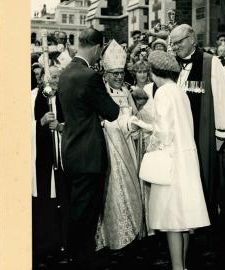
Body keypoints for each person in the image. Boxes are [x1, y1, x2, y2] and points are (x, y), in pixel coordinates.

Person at [58, 28, 120, 270]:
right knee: (87, 211)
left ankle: (77, 255)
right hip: (89, 154)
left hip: (71, 151)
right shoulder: (89, 76)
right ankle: (81, 258)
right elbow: (112, 113)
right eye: (100, 51)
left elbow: (64, 115)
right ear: (96, 47)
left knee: (77, 207)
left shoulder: (64, 74)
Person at [146, 50, 210, 270]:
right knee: (183, 220)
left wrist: (146, 132)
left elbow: (164, 132)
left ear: (154, 72)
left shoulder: (163, 92)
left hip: (172, 159)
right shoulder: (180, 91)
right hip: (187, 158)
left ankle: (177, 267)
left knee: (173, 220)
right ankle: (182, 266)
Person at [170, 24, 225, 223]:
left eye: (178, 42)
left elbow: (223, 100)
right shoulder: (172, 64)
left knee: (202, 184)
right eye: (172, 44)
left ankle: (203, 236)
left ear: (192, 39)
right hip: (177, 138)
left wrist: (219, 135)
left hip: (201, 135)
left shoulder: (211, 63)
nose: (174, 48)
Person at [95, 39, 143, 252]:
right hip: (111, 148)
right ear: (105, 74)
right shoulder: (101, 92)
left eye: (121, 73)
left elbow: (136, 115)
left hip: (130, 147)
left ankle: (133, 230)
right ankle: (113, 234)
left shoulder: (127, 91)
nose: (118, 77)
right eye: (114, 73)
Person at [32, 65, 69, 268]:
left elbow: (76, 123)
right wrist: (40, 122)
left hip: (62, 159)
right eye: (52, 77)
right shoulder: (32, 98)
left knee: (63, 200)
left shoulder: (65, 97)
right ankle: (45, 246)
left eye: (58, 77)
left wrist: (62, 127)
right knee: (45, 202)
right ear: (43, 79)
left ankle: (63, 244)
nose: (55, 81)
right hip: (42, 162)